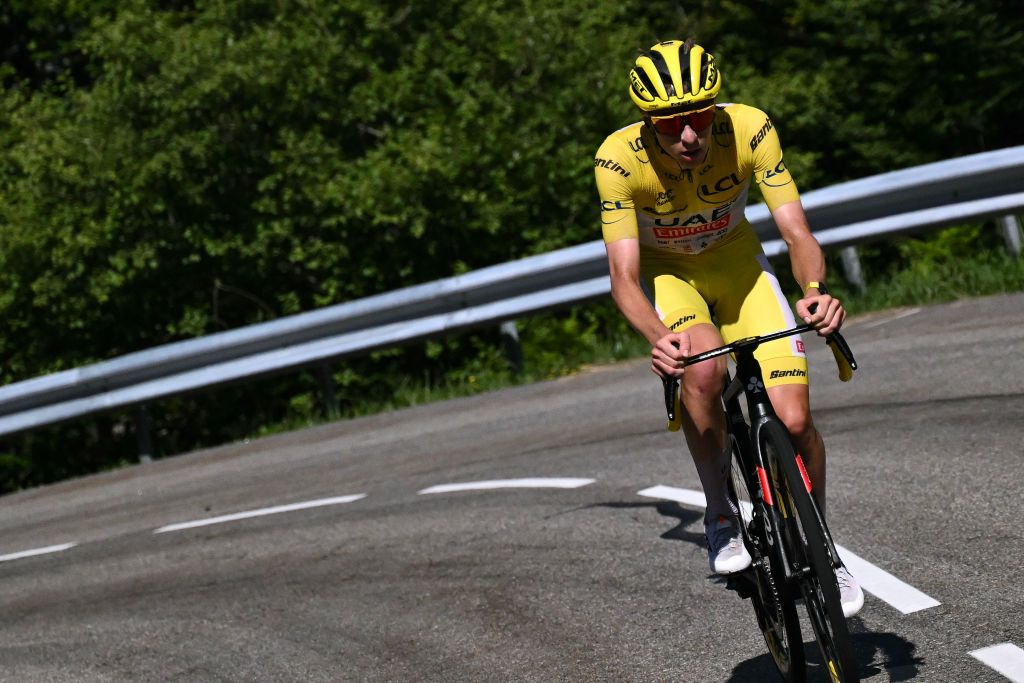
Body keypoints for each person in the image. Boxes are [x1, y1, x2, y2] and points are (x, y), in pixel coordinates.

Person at [594, 38, 863, 617]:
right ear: (647, 124)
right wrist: (658, 339)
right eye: (671, 125)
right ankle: (720, 512)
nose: (689, 136)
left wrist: (814, 293)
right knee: (705, 370)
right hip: (673, 280)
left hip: (739, 267)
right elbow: (623, 276)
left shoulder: (749, 129)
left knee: (794, 420)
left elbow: (796, 232)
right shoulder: (617, 161)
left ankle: (824, 546)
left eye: (699, 117)